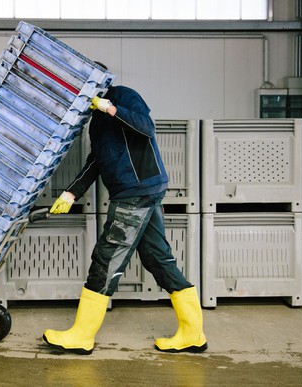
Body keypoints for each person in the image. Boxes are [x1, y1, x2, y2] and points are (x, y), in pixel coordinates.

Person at [42, 67, 207, 355]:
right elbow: (96, 161)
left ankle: (82, 335)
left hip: (136, 192)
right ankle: (193, 333)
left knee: (107, 258)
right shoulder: (95, 123)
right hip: (139, 192)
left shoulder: (124, 97)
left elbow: (146, 127)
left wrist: (108, 107)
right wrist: (71, 193)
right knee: (157, 258)